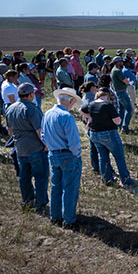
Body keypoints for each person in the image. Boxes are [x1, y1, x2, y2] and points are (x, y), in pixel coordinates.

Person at [41, 87, 82, 228]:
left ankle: (55, 216)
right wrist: (77, 155)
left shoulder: (47, 114)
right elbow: (74, 141)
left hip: (53, 154)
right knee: (69, 188)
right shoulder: (66, 116)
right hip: (68, 155)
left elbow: (43, 136)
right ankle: (69, 219)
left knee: (55, 186)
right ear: (70, 101)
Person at [5, 83, 48, 211]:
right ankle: (40, 202)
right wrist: (46, 145)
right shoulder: (31, 109)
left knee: (24, 177)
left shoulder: (10, 108)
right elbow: (40, 130)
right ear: (30, 94)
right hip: (35, 148)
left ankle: (27, 201)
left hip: (20, 149)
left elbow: (9, 130)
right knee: (41, 176)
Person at [81, 88, 135, 186]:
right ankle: (126, 179)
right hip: (109, 133)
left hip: (95, 134)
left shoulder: (91, 104)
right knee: (119, 157)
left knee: (103, 157)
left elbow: (81, 110)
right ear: (107, 97)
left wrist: (90, 117)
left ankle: (107, 179)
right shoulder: (108, 106)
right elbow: (118, 121)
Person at [80, 81, 100, 174]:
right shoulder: (92, 98)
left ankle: (95, 166)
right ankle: (98, 166)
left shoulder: (85, 96)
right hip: (92, 124)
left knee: (93, 146)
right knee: (96, 147)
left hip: (86, 123)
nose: (97, 88)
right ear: (92, 87)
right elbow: (87, 109)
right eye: (96, 86)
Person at [110, 56, 133, 133]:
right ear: (117, 62)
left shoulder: (113, 70)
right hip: (122, 92)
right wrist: (129, 80)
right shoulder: (117, 71)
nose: (122, 63)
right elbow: (125, 81)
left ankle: (119, 126)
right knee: (129, 109)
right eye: (120, 61)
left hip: (118, 92)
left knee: (121, 110)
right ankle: (124, 127)